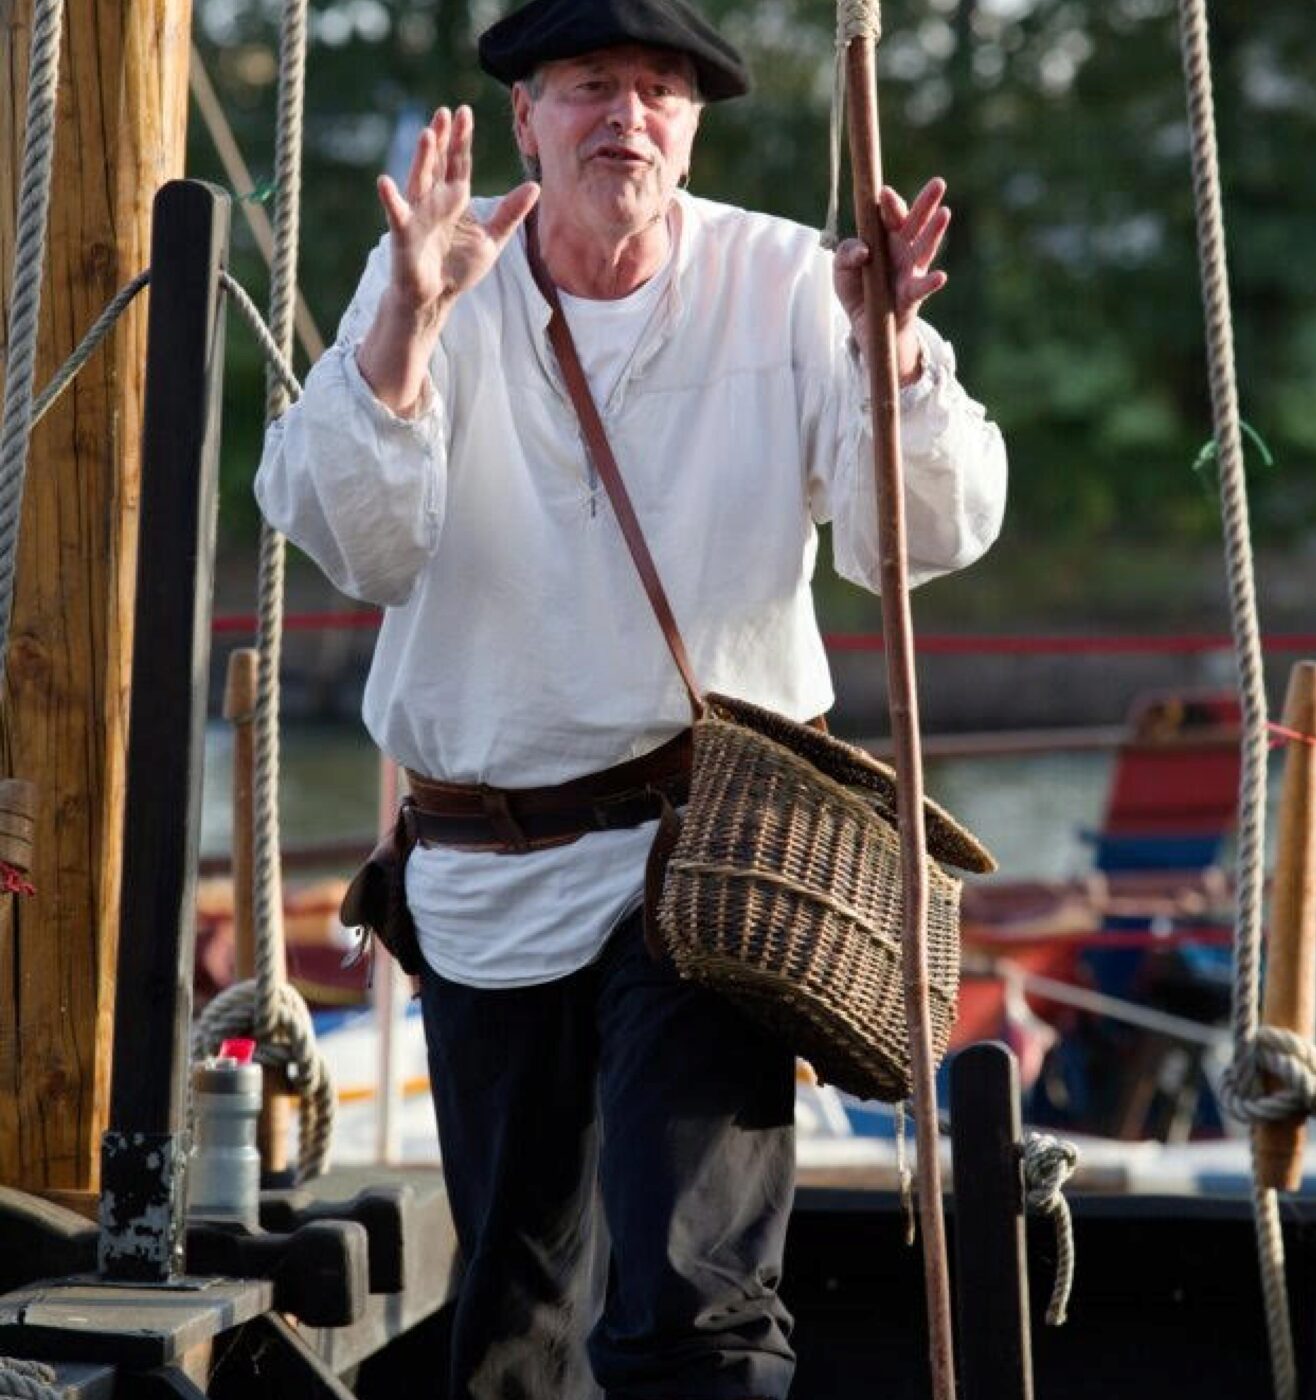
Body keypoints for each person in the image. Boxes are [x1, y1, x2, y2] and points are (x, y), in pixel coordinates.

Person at [255, 0, 1007, 1394]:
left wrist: (891, 351)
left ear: (695, 126)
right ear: (527, 117)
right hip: (486, 870)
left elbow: (917, 538)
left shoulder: (789, 281)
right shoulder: (432, 269)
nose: (627, 117)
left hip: (710, 862)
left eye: (660, 89)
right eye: (590, 84)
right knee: (514, 1314)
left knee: (695, 1310)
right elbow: (360, 545)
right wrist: (409, 321)